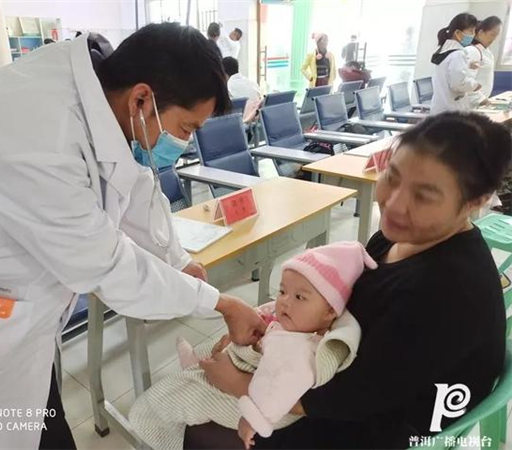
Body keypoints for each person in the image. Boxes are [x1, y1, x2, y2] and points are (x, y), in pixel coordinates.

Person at [0, 23, 267, 449]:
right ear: (142, 99)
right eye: (186, 128)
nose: (183, 142)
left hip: (15, 325)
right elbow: (108, 268)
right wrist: (220, 303)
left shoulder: (103, 99)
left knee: (42, 424)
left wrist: (177, 261)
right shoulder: (39, 135)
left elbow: (133, 185)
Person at [183, 111, 511, 449]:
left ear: (475, 202)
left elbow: (357, 396)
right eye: (392, 176)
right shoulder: (399, 239)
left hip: (382, 427)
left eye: (424, 196)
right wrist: (273, 322)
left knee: (195, 426)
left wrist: (240, 384)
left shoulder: (450, 292)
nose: (394, 203)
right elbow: (343, 301)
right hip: (351, 381)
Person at [129, 242, 376, 449]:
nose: (284, 302)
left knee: (173, 397)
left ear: (330, 311)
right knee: (218, 345)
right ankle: (198, 364)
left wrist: (253, 420)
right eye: (282, 291)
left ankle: (192, 383)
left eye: (299, 297)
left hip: (263, 404)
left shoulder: (302, 352)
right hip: (255, 371)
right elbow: (268, 316)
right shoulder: (302, 322)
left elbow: (277, 393)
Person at [430, 13, 481, 114]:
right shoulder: (458, 54)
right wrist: (475, 85)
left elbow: (448, 71)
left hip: (441, 108)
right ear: (457, 33)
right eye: (471, 31)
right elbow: (458, 84)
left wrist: (467, 65)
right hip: (451, 111)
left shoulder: (444, 51)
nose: (473, 35)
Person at [466, 16, 503, 107]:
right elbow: (465, 81)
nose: (494, 39)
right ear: (481, 33)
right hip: (471, 103)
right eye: (492, 34)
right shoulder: (472, 51)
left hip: (480, 102)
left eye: (496, 36)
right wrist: (481, 100)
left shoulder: (486, 52)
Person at [222, 56, 262, 122]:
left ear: (223, 73)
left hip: (242, 122)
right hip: (256, 121)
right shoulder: (252, 83)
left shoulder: (228, 87)